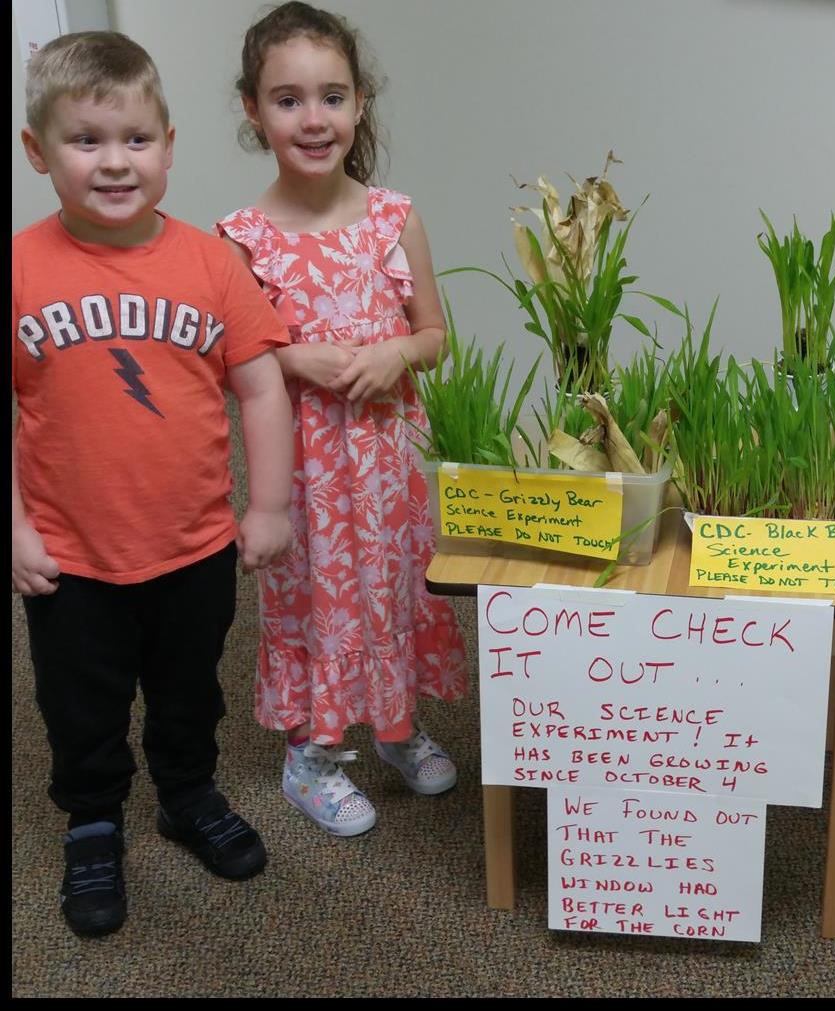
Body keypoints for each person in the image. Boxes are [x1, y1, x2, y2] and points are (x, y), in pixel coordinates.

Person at [13, 31, 294, 935]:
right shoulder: (19, 268)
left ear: (169, 143)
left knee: (189, 688)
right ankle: (92, 818)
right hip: (72, 552)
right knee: (80, 701)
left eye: (135, 139)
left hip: (193, 544)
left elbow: (261, 386)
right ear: (37, 152)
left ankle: (187, 791)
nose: (113, 162)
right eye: (85, 140)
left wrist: (269, 504)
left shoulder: (212, 265)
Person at [219, 2, 467, 837]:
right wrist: (293, 358)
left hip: (390, 460)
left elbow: (436, 334)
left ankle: (395, 724)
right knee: (313, 599)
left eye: (332, 96)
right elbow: (227, 362)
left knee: (394, 586)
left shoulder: (394, 218)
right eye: (287, 99)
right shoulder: (243, 240)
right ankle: (310, 754)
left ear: (361, 104)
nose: (312, 118)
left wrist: (399, 354)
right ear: (253, 111)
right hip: (303, 465)